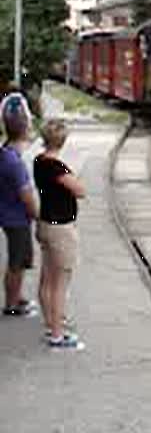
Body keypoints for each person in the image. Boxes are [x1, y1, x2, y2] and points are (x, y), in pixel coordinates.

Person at [34, 119, 85, 350]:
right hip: (60, 230)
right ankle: (57, 334)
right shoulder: (57, 168)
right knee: (59, 284)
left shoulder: (39, 162)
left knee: (47, 279)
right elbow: (80, 190)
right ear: (63, 140)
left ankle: (50, 323)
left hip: (45, 224)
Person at [0, 92, 39, 318]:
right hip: (17, 219)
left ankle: (16, 295)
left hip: (9, 216)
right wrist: (37, 214)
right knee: (18, 262)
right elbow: (26, 196)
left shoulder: (5, 153)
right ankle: (12, 303)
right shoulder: (15, 163)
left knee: (20, 260)